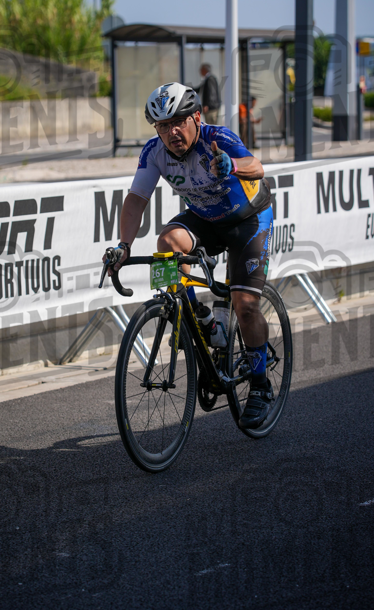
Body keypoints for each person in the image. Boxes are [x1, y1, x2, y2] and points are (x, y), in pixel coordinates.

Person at [106, 82, 274, 430]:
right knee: (166, 240)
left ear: (196, 116)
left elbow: (256, 166)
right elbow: (137, 199)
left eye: (178, 121)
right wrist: (124, 245)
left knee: (244, 304)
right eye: (162, 126)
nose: (171, 132)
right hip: (206, 219)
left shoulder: (217, 137)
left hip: (248, 220)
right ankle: (193, 312)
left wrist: (231, 165)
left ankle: (260, 385)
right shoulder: (154, 152)